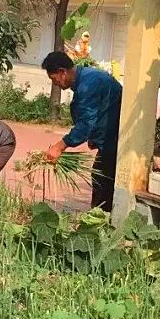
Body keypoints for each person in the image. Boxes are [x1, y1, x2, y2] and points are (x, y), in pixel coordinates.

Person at [42, 51, 122, 211]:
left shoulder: (88, 84)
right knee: (101, 177)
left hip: (115, 140)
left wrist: (60, 146)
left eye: (53, 79)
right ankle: (101, 219)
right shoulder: (87, 78)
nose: (55, 83)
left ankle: (101, 222)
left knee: (103, 179)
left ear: (62, 72)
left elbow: (86, 123)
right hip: (110, 139)